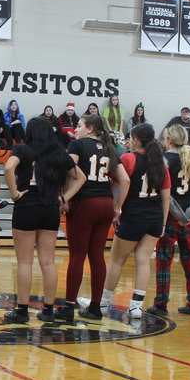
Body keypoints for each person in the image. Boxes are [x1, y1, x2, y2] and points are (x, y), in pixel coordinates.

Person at [79, 123, 170, 320]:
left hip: (133, 217)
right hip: (154, 219)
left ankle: (102, 303)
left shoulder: (128, 158)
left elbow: (118, 183)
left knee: (116, 261)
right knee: (143, 261)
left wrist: (116, 208)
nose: (128, 141)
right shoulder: (160, 163)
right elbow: (166, 196)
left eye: (130, 138)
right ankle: (136, 307)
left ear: (136, 140)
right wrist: (162, 221)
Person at [3, 116, 85, 323]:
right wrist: (64, 198)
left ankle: (22, 311)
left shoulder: (22, 149)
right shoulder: (58, 152)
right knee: (48, 262)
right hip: (49, 208)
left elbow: (8, 168)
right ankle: (48, 310)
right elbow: (81, 177)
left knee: (24, 262)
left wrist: (14, 194)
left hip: (26, 207)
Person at [61, 113, 129, 320]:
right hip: (106, 204)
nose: (76, 130)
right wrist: (117, 205)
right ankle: (96, 307)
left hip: (84, 203)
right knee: (97, 256)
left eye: (79, 126)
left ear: (90, 129)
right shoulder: (111, 149)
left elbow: (67, 169)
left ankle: (68, 306)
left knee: (77, 255)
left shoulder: (77, 145)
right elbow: (125, 180)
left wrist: (63, 197)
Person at [149, 124, 190, 317]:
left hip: (170, 216)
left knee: (164, 260)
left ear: (170, 141)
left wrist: (180, 214)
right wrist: (189, 215)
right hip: (189, 219)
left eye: (165, 138)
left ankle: (161, 303)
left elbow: (166, 193)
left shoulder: (164, 160)